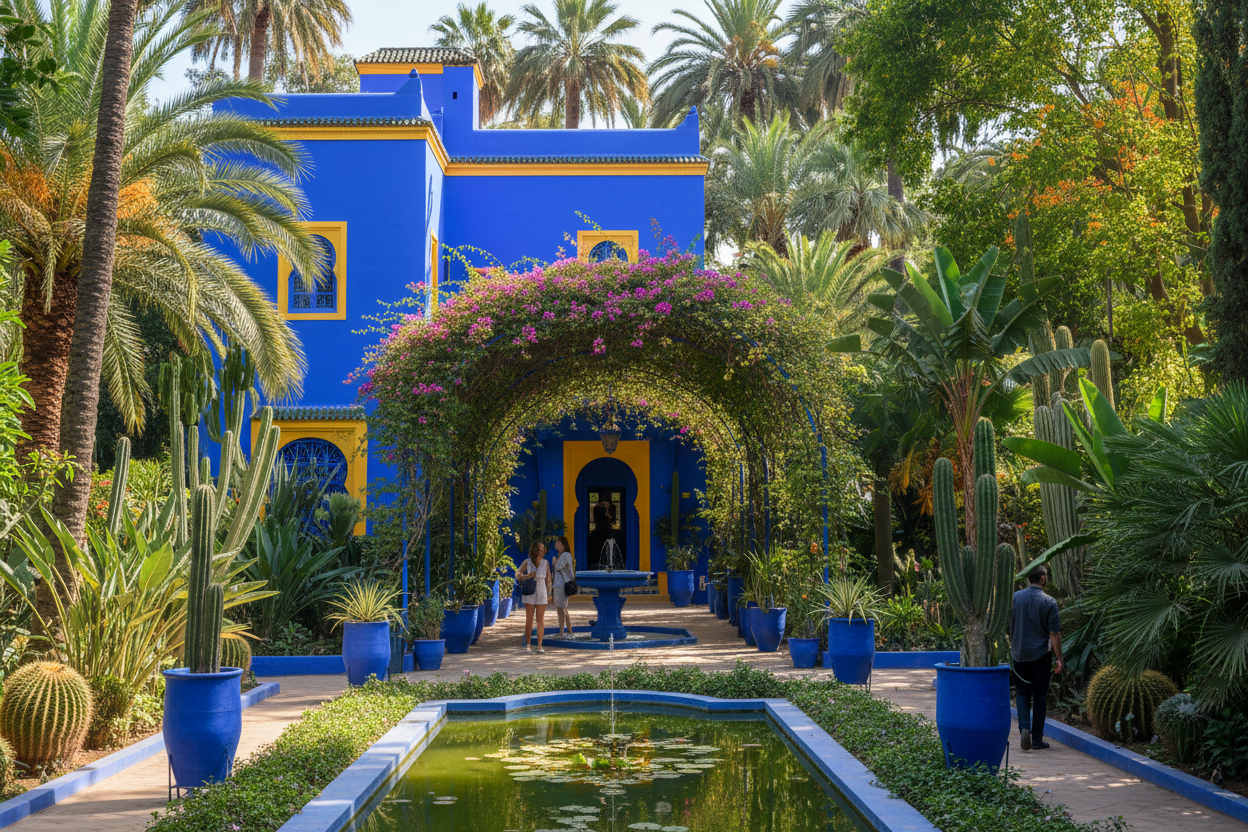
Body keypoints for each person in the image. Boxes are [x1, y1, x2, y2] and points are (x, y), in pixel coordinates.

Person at [1009, 564, 1064, 750]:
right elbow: (1054, 634)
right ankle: (1037, 739)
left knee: (1022, 693)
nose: (1047, 578)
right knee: (1039, 695)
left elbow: (1008, 623)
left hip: (1019, 654)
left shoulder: (1015, 598)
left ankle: (1024, 727)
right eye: (1046, 576)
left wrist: (1014, 642)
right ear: (1041, 579)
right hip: (1041, 656)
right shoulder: (1049, 602)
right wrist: (1059, 659)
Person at [518, 541, 552, 653]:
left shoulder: (545, 563)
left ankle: (539, 646)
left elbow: (548, 580)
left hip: (542, 591)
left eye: (543, 550)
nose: (542, 553)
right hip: (530, 590)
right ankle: (528, 644)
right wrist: (527, 576)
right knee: (529, 619)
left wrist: (549, 594)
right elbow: (517, 574)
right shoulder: (527, 562)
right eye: (540, 550)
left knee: (540, 620)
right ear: (534, 551)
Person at [551, 536, 576, 637]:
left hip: (562, 584)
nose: (557, 544)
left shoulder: (566, 555)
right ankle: (561, 631)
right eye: (556, 543)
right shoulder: (560, 555)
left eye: (559, 543)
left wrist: (554, 562)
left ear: (564, 544)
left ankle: (569, 630)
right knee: (559, 608)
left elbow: (557, 567)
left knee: (563, 607)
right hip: (557, 584)